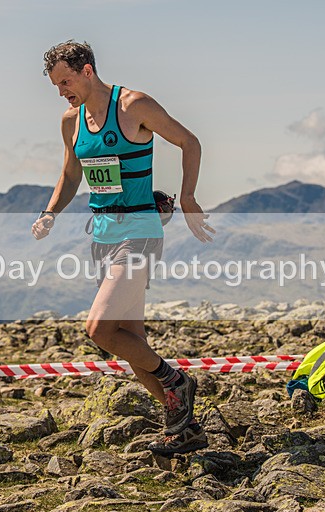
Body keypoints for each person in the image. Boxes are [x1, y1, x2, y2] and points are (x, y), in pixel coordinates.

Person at [32, 40, 216, 455]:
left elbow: (190, 142)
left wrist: (187, 198)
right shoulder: (71, 121)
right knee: (131, 344)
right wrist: (50, 213)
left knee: (98, 329)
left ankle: (177, 382)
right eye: (56, 85)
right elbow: (70, 174)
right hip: (101, 237)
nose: (62, 91)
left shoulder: (133, 105)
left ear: (87, 71)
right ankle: (184, 429)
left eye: (65, 81)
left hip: (140, 234)